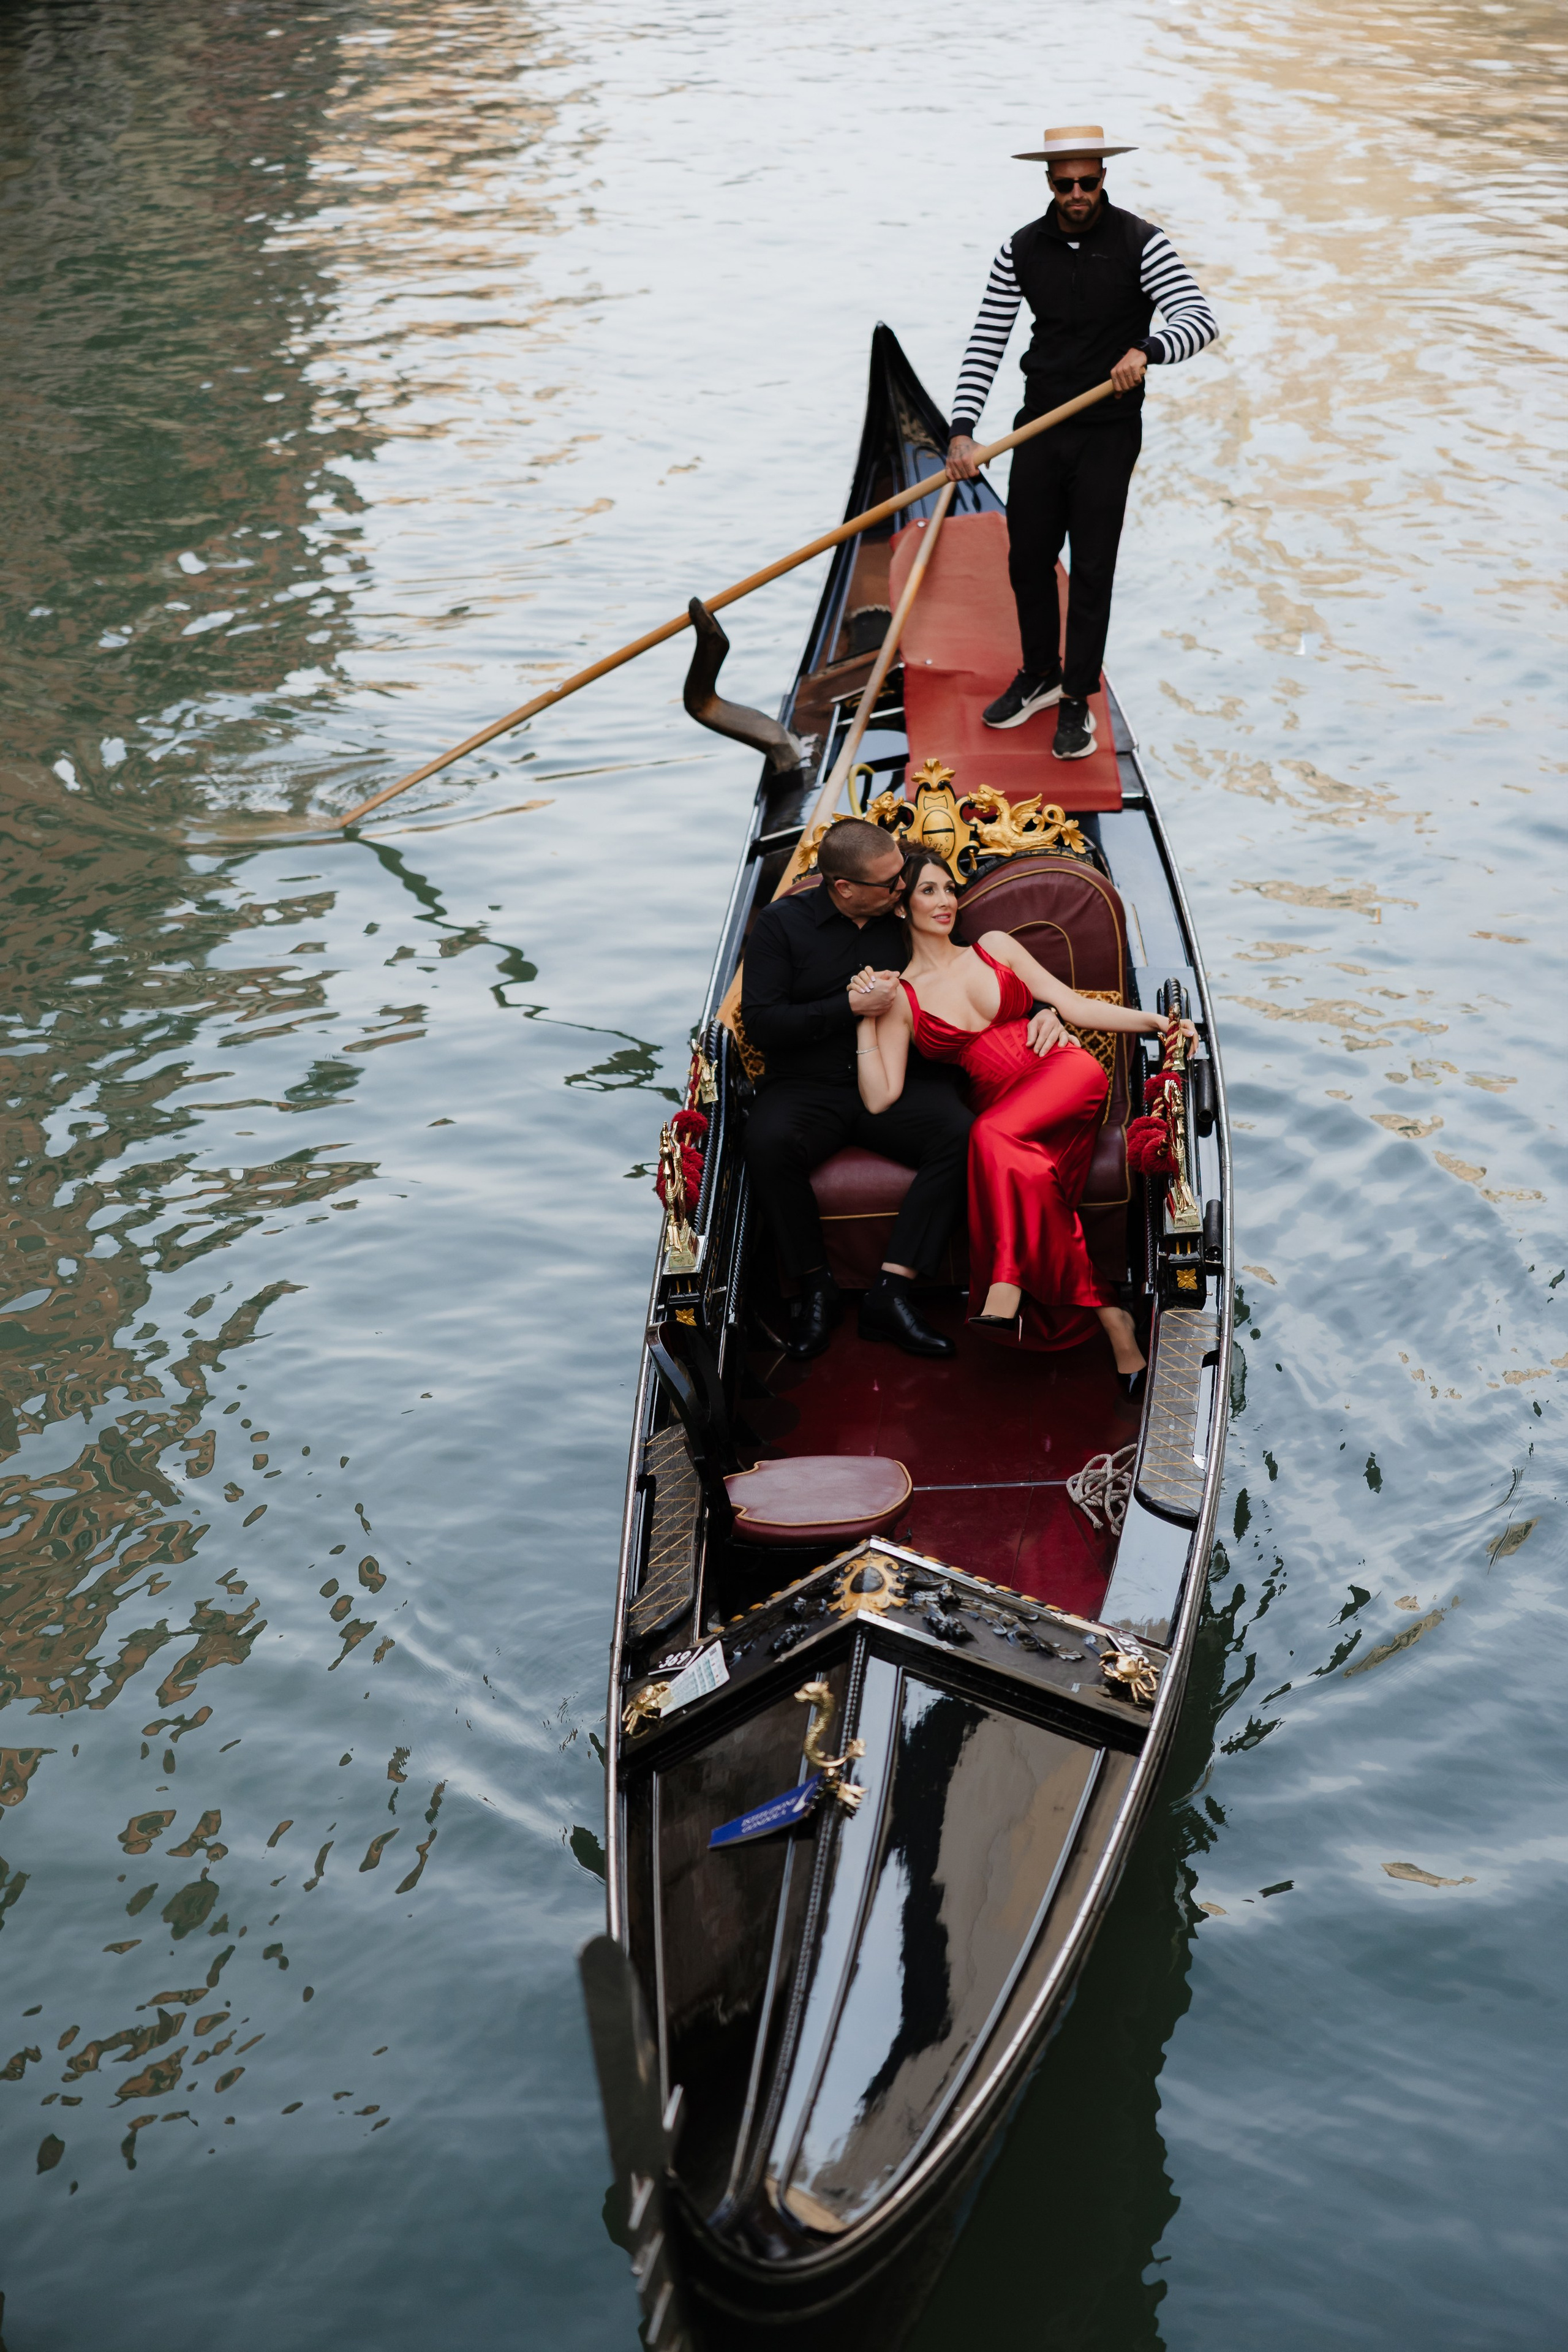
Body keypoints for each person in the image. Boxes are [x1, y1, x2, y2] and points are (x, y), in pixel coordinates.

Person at [853, 849, 1194, 1389]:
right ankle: (1114, 1319)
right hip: (1008, 1116)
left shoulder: (994, 948)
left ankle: (1007, 1280)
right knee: (1030, 1176)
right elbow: (879, 1097)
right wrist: (863, 1022)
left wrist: (1156, 1022)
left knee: (985, 1137)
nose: (945, 901)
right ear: (901, 906)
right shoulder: (902, 997)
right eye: (928, 891)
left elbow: (1072, 1005)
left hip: (1063, 1073)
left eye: (949, 889)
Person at [741, 818, 1066, 1360]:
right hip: (808, 1086)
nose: (902, 888)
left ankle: (891, 1293)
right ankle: (815, 1288)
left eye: (903, 879)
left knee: (963, 1135)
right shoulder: (781, 926)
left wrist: (1046, 1010)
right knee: (767, 1143)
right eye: (891, 883)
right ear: (844, 887)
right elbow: (762, 1024)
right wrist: (846, 1009)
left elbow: (972, 972)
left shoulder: (905, 919)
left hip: (900, 1081)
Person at [944, 123, 1217, 761]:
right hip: (1039, 424)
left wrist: (1146, 349)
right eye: (1064, 183)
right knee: (1027, 559)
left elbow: (1198, 320)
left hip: (1107, 432)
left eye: (1087, 182)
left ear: (1102, 180)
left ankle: (1076, 698)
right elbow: (987, 342)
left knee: (1091, 570)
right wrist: (962, 430)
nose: (1076, 193)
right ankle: (1039, 673)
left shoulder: (1141, 244)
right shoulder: (1018, 250)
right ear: (1048, 183)